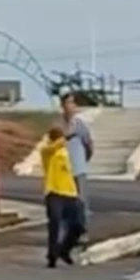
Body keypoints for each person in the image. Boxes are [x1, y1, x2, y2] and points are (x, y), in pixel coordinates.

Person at [40, 126, 84, 268]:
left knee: (78, 226)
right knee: (55, 223)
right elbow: (54, 146)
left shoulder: (66, 154)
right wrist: (66, 137)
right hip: (54, 193)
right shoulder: (47, 153)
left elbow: (72, 174)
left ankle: (64, 250)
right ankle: (52, 256)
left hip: (70, 193)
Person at [57, 93, 93, 234]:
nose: (70, 106)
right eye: (67, 103)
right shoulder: (58, 125)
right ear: (62, 105)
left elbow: (89, 144)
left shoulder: (79, 124)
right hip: (62, 169)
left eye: (73, 103)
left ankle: (82, 231)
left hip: (78, 168)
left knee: (81, 201)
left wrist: (84, 160)